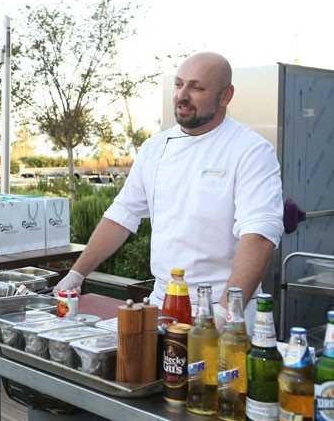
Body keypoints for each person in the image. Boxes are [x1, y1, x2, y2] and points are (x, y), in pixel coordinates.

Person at [55, 51, 284, 334]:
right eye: (178, 85)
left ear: (226, 96)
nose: (182, 96)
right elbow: (122, 216)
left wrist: (225, 313)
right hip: (163, 304)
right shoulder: (155, 147)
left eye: (197, 88)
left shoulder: (251, 150)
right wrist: (77, 274)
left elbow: (259, 235)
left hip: (224, 308)